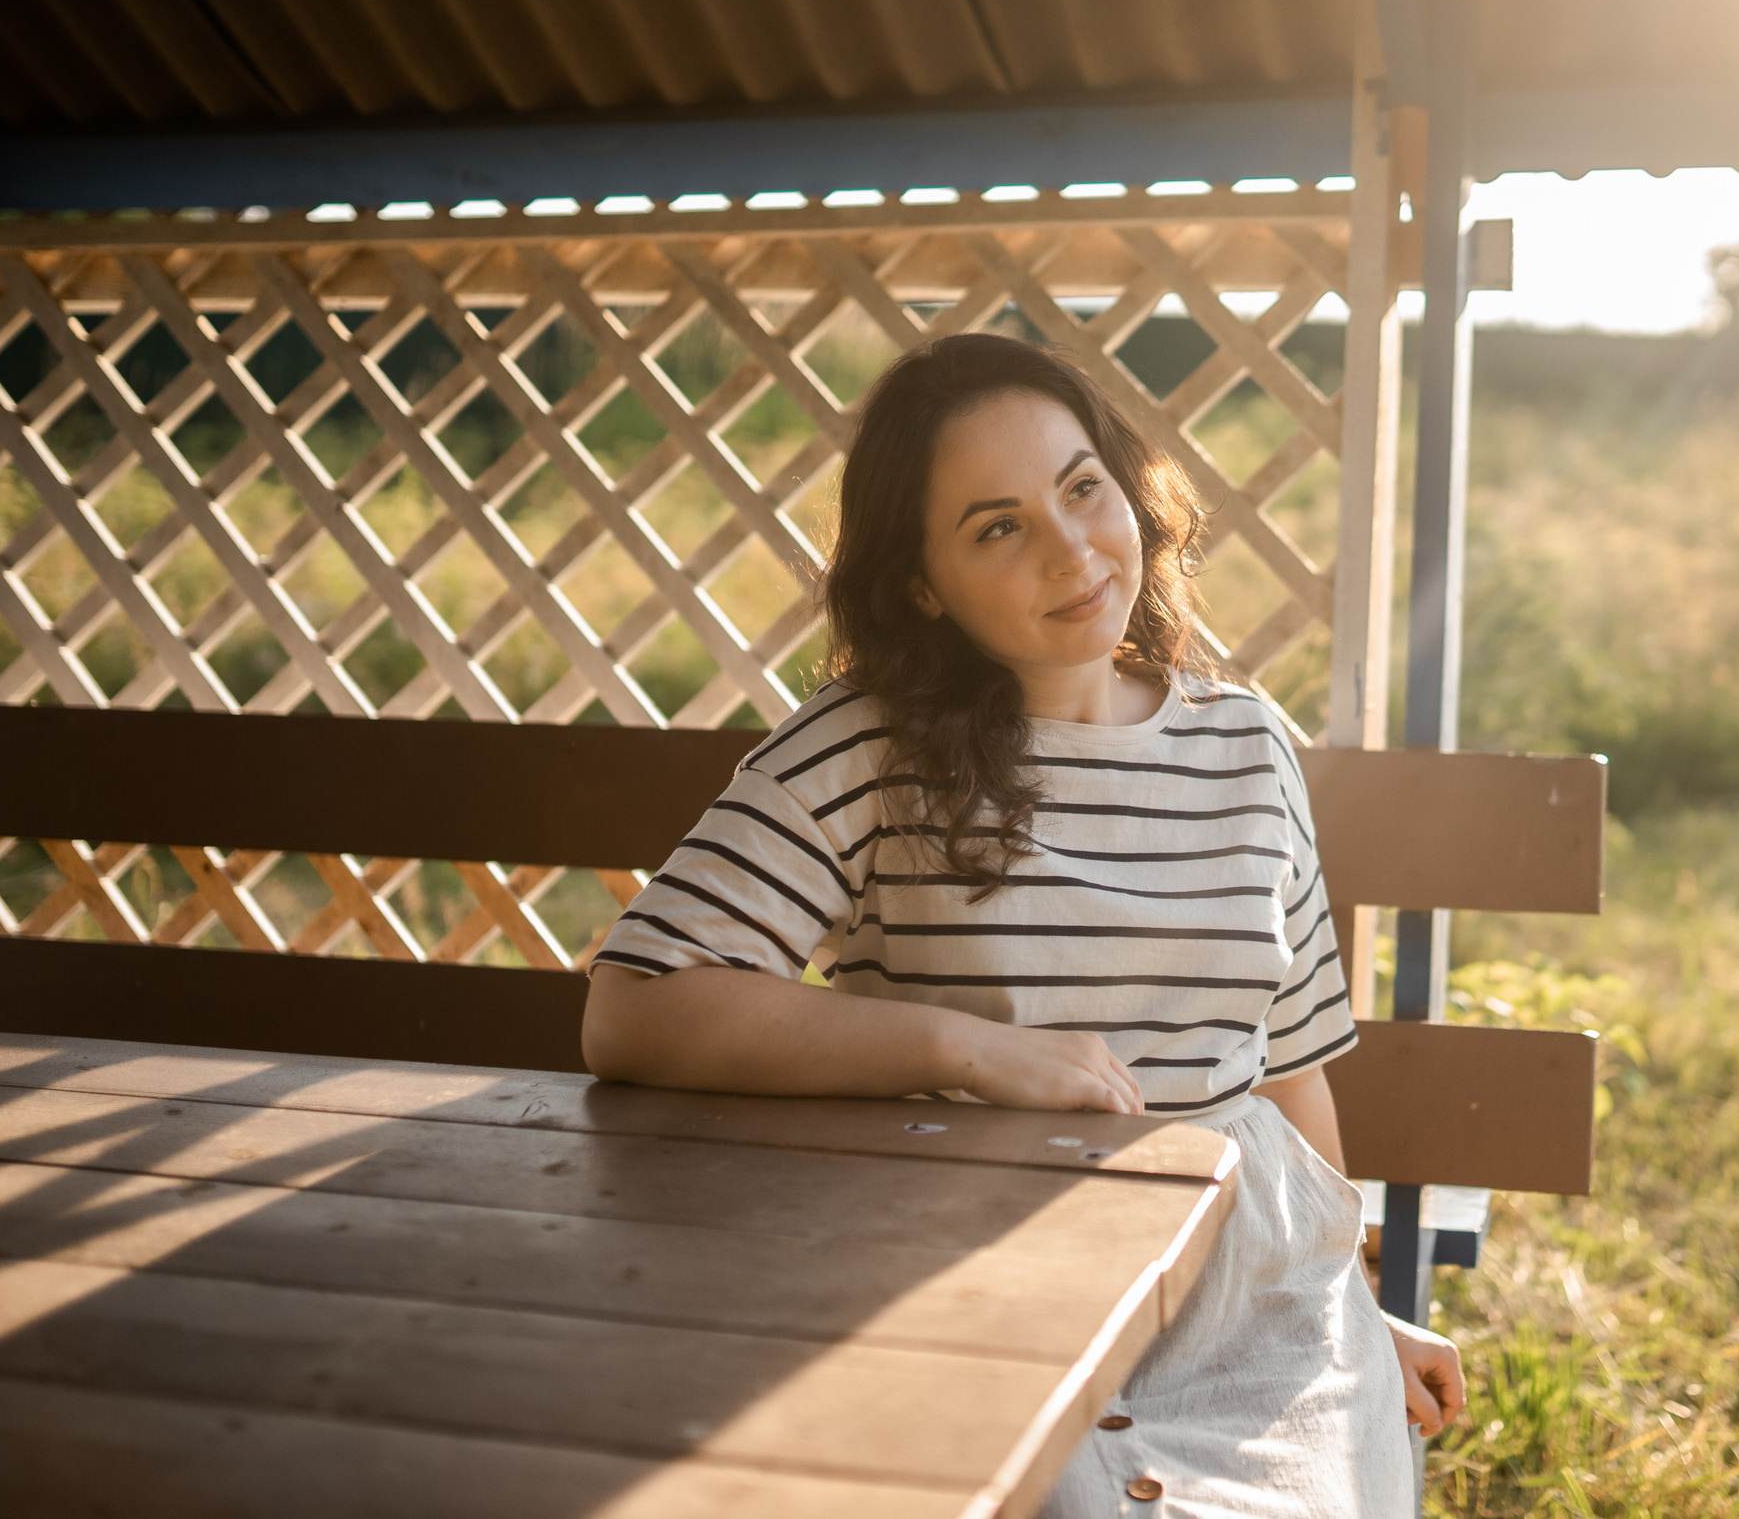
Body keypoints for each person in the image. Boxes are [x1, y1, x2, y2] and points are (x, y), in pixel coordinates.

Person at [581, 331, 1464, 1516]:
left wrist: (1352, 1309)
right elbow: (635, 1005)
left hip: (1251, 1299)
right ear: (919, 584)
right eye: (998, 527)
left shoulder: (1247, 746)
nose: (1073, 550)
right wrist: (962, 1047)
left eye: (1082, 488)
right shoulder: (869, 747)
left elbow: (1289, 1076)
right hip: (979, 1277)